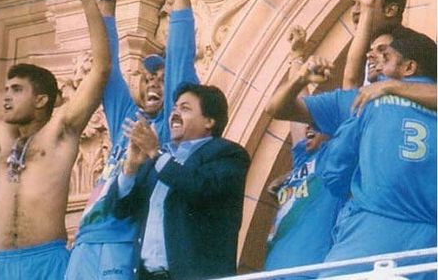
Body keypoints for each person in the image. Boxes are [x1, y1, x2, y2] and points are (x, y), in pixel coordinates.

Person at [0, 0, 110, 279]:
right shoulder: (4, 138)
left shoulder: (61, 130)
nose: (6, 96)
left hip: (46, 261)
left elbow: (100, 69)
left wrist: (87, 1)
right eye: (7, 88)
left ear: (41, 100)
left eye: (16, 89)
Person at [65, 0, 199, 279]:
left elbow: (180, 56)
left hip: (122, 241)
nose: (153, 81)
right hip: (85, 240)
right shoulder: (127, 118)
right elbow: (107, 66)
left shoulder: (167, 129)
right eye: (148, 76)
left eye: (161, 78)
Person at [316, 26, 437, 279]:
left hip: (368, 238)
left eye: (387, 57)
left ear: (409, 68)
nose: (378, 63)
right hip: (429, 246)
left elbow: (333, 170)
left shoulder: (373, 100)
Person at [112, 83, 251, 280]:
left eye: (185, 108)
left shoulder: (228, 154)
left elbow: (200, 187)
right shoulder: (160, 159)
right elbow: (121, 209)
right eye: (175, 107)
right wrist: (131, 167)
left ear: (209, 121)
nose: (175, 113)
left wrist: (154, 152)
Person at [263, 27, 347, 278]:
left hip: (310, 270)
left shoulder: (334, 156)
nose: (309, 130)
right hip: (274, 270)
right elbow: (296, 114)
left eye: (318, 126)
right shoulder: (303, 158)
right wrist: (297, 58)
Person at [343, 0, 436, 111]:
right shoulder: (365, 55)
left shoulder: (418, 46)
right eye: (354, 3)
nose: (355, 11)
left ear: (390, 10)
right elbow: (350, 85)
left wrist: (390, 87)